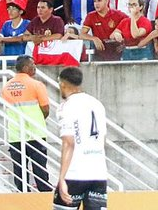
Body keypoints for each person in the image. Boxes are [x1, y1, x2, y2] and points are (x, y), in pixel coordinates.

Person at [55, 66, 108, 210]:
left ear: (62, 84)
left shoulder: (66, 106)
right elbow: (102, 140)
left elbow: (69, 143)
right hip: (98, 173)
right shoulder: (97, 104)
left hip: (75, 173)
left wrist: (62, 178)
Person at [1, 55, 51, 192]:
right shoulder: (36, 85)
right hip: (35, 133)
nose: (35, 67)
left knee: (19, 170)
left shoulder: (7, 87)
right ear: (25, 68)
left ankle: (23, 197)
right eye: (32, 65)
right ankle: (45, 197)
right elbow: (45, 108)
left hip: (15, 134)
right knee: (40, 169)